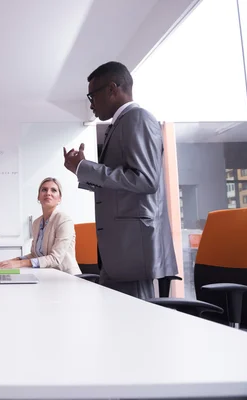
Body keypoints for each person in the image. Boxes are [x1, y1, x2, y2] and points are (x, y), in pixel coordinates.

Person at [63, 61, 178, 299]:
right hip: (120, 251)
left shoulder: (138, 118)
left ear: (112, 89)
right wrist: (82, 170)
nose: (91, 103)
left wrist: (86, 167)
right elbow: (123, 184)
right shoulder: (122, 123)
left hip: (132, 250)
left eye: (92, 95)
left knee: (134, 327)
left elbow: (146, 180)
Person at [0, 178, 81, 274]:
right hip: (46, 275)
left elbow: (55, 258)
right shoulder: (36, 223)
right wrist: (12, 261)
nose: (48, 193)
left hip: (66, 276)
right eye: (44, 190)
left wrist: (19, 264)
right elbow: (35, 255)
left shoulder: (64, 220)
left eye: (53, 190)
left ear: (59, 198)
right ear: (38, 197)